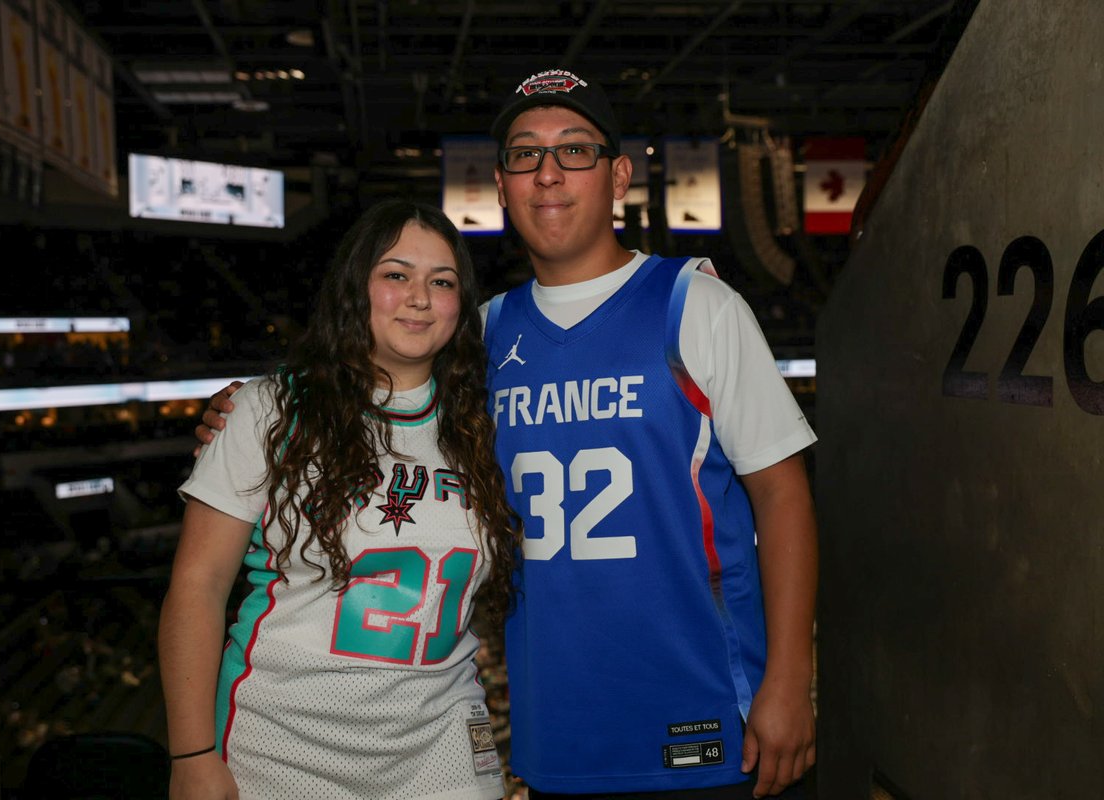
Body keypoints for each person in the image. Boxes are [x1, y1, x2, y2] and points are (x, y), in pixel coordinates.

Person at [198, 68, 818, 799]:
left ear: (619, 176)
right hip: (558, 731)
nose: (548, 173)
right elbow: (368, 389)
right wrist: (250, 406)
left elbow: (783, 497)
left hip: (706, 714)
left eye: (575, 150)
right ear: (500, 184)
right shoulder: (481, 335)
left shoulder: (699, 305)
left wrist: (789, 680)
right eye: (526, 155)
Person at [161, 199, 520, 800]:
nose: (420, 298)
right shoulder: (268, 410)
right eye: (396, 275)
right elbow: (198, 586)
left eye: (442, 282)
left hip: (442, 742)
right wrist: (192, 754)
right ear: (355, 287)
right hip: (278, 742)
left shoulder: (489, 424)